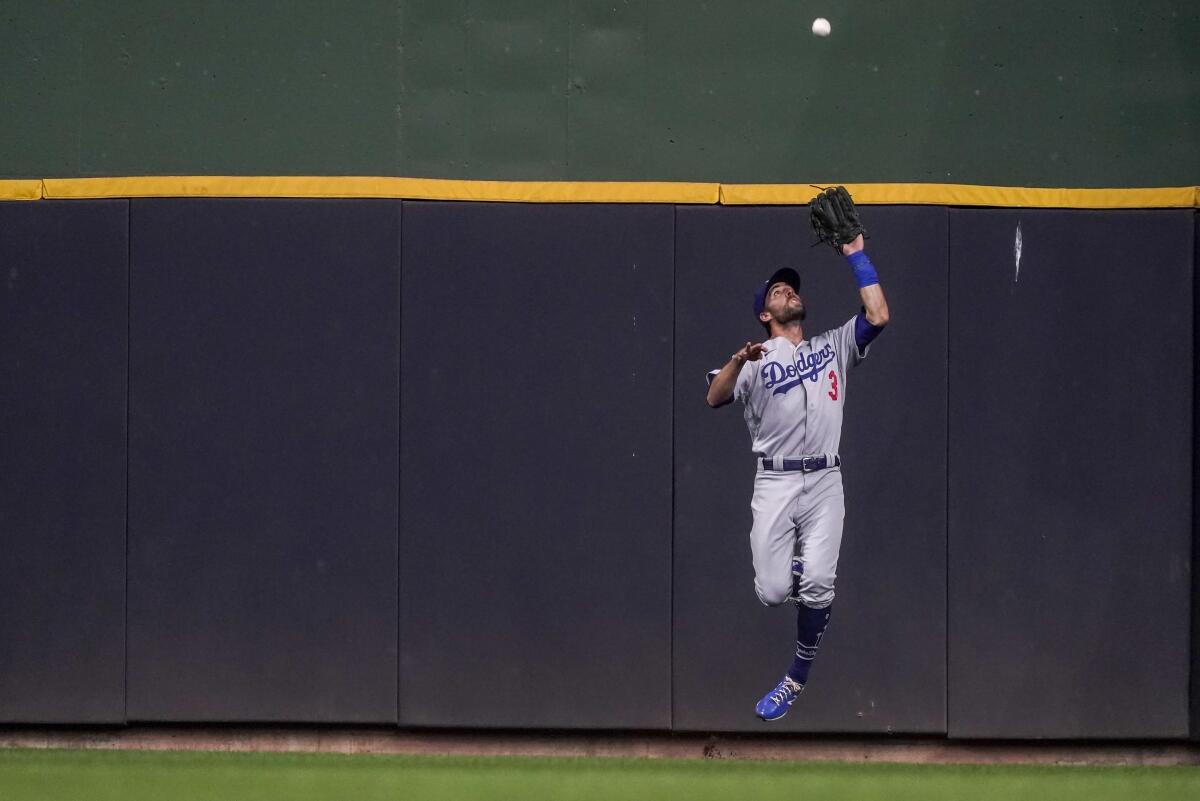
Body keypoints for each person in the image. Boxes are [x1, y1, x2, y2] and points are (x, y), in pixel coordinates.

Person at [704, 233, 889, 721]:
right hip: (777, 483)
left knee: (821, 585)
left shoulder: (832, 347)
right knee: (771, 592)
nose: (787, 292)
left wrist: (855, 254)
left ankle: (795, 678)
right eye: (777, 292)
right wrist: (739, 360)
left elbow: (878, 316)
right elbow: (714, 397)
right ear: (765, 314)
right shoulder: (754, 358)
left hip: (826, 479)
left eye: (791, 288)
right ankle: (800, 573)